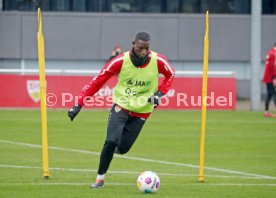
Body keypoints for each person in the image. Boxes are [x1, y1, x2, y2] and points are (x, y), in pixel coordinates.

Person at [68, 31, 175, 188]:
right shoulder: (119, 61)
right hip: (121, 106)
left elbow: (171, 75)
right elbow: (98, 82)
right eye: (140, 48)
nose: (144, 52)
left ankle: (111, 150)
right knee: (111, 140)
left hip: (143, 111)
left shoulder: (158, 60)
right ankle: (100, 179)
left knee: (123, 148)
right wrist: (78, 104)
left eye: (146, 48)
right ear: (133, 44)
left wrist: (159, 93)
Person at [262, 42, 276, 117]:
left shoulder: (270, 53)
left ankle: (266, 111)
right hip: (272, 78)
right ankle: (266, 112)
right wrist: (274, 78)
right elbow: (273, 67)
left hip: (268, 78)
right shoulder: (274, 54)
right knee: (274, 94)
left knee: (269, 94)